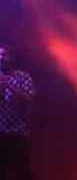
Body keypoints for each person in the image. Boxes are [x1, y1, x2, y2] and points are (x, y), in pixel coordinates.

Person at [0, 44, 34, 180]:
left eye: (4, 55)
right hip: (0, 132)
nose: (0, 58)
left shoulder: (22, 77)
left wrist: (7, 84)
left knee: (21, 172)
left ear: (11, 57)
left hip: (17, 132)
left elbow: (28, 98)